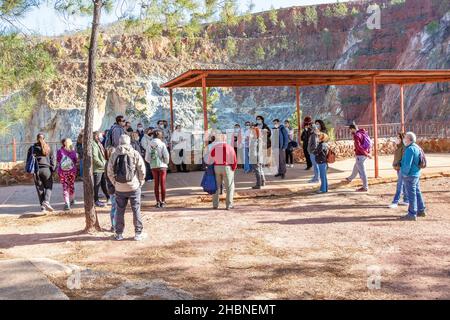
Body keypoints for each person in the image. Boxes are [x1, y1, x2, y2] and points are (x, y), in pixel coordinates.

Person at [107, 134, 146, 241]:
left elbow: (109, 170)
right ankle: (138, 233)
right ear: (129, 142)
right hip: (133, 186)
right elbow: (142, 169)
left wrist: (114, 182)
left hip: (119, 187)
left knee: (119, 210)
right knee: (136, 209)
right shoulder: (134, 153)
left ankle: (119, 233)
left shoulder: (114, 154)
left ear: (119, 142)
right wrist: (141, 181)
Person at [400, 132, 426, 221]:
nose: (404, 139)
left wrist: (404, 174)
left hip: (410, 175)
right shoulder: (416, 147)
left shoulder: (410, 149)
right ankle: (421, 210)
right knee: (417, 192)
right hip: (416, 174)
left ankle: (412, 214)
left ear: (409, 139)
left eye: (405, 138)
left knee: (411, 194)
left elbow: (407, 164)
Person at [27, 133, 56, 212]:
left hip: (36, 171)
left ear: (37, 139)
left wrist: (30, 170)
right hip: (47, 170)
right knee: (49, 186)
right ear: (44, 138)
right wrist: (53, 169)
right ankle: (46, 201)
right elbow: (53, 159)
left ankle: (43, 207)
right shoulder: (48, 147)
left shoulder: (32, 148)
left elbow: (28, 160)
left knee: (40, 189)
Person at [207, 134, 237, 210]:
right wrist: (233, 169)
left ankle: (215, 205)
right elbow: (234, 159)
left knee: (216, 187)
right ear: (225, 139)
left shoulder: (215, 147)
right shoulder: (229, 147)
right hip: (227, 167)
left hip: (216, 167)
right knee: (229, 187)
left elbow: (210, 160)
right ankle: (229, 205)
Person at [345, 124, 372, 192]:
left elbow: (359, 147)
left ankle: (365, 187)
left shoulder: (356, 135)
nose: (350, 131)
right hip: (364, 154)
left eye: (350, 130)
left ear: (352, 129)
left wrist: (366, 154)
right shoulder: (363, 133)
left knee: (362, 171)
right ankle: (350, 178)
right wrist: (368, 153)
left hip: (360, 155)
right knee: (356, 166)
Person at [149, 130, 170, 208]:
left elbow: (147, 157)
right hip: (162, 166)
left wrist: (151, 162)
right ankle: (163, 201)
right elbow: (166, 155)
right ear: (160, 136)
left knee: (156, 184)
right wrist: (166, 162)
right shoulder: (162, 144)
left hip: (153, 166)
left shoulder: (149, 144)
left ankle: (158, 201)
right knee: (162, 183)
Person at [57, 138, 78, 211]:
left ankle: (67, 203)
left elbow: (58, 160)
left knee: (65, 186)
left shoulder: (60, 151)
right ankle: (72, 199)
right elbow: (75, 160)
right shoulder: (73, 152)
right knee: (71, 185)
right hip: (72, 171)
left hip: (62, 172)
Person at [389, 133, 409, 208]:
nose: (396, 139)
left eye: (398, 138)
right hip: (398, 168)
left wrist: (398, 165)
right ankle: (406, 200)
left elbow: (403, 159)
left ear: (402, 139)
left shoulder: (404, 147)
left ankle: (395, 202)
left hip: (401, 168)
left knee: (400, 185)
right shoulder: (399, 146)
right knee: (403, 184)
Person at [92, 131, 110, 207]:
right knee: (96, 185)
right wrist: (103, 165)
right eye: (99, 135)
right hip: (98, 168)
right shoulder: (93, 144)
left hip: (102, 167)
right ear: (96, 136)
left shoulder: (98, 143)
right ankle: (95, 200)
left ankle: (109, 197)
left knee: (103, 184)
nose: (101, 137)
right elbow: (95, 157)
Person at [105, 147, 117, 233]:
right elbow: (109, 178)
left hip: (113, 188)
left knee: (116, 207)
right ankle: (114, 225)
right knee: (114, 207)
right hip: (113, 188)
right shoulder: (109, 164)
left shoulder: (112, 163)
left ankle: (115, 225)